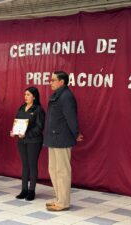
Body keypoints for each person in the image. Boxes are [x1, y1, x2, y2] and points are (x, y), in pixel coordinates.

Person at [44, 71, 83, 211]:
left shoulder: (66, 96)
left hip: (62, 138)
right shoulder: (57, 94)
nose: (51, 82)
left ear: (62, 82)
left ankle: (64, 202)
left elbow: (71, 117)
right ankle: (59, 198)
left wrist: (76, 133)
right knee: (53, 170)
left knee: (62, 171)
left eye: (53, 80)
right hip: (53, 138)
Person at [10, 87, 45, 201]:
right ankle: (24, 189)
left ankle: (32, 191)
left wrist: (27, 134)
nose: (26, 96)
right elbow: (18, 123)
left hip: (34, 141)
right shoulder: (21, 108)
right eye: (25, 94)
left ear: (34, 97)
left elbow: (39, 127)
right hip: (22, 141)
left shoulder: (38, 109)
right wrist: (14, 131)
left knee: (32, 165)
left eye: (28, 95)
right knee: (25, 165)